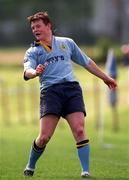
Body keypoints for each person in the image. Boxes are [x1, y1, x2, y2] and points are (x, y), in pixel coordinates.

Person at [23, 11, 117, 178]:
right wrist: (34, 72)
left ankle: (85, 172)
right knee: (44, 137)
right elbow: (27, 70)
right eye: (32, 27)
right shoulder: (33, 51)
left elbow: (86, 62)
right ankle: (30, 165)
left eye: (38, 26)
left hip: (72, 89)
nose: (35, 29)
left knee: (80, 130)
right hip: (50, 92)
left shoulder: (67, 43)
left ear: (48, 26)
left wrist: (106, 78)